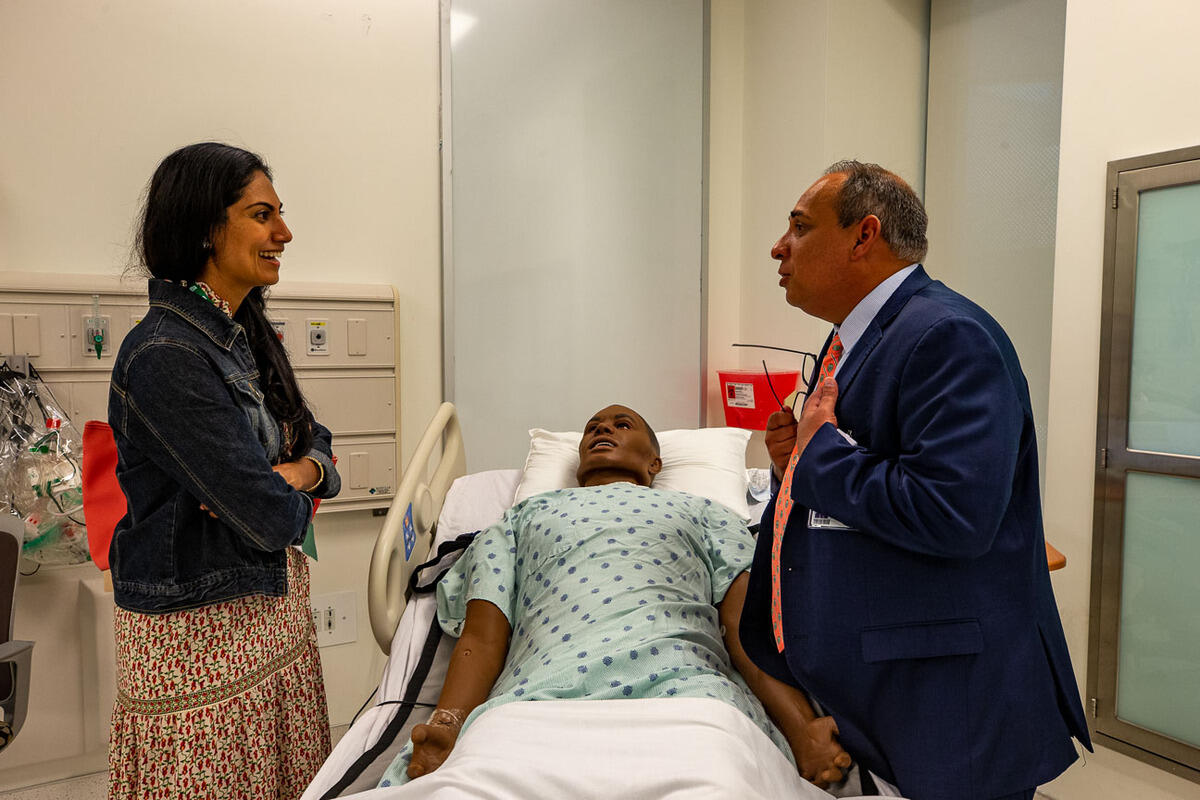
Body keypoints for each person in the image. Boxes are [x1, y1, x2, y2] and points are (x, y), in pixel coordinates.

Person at [738, 160, 1092, 800]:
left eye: (800, 227)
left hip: (947, 706)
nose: (778, 247)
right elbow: (864, 481)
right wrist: (795, 470)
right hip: (881, 693)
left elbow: (953, 513)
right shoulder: (855, 341)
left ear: (863, 235)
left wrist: (820, 458)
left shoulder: (946, 335)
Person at [379, 404, 853, 790]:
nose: (602, 430)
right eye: (592, 428)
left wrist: (801, 728)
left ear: (655, 464)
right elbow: (483, 638)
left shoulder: (704, 512)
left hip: (690, 700)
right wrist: (446, 726)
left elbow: (745, 628)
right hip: (531, 705)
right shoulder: (519, 518)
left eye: (621, 424)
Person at [107, 142, 341, 799]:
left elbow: (314, 440)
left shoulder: (242, 334)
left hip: (268, 623)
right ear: (206, 228)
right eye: (262, 215)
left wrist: (301, 473)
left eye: (280, 214)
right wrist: (285, 486)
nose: (284, 233)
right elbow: (270, 519)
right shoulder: (167, 356)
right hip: (201, 642)